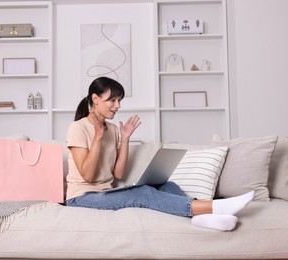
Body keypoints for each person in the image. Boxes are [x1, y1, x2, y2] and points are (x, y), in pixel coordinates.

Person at [65, 76, 254, 231]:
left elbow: (118, 174)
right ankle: (212, 207)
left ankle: (201, 217)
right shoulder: (78, 128)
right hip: (81, 197)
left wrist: (125, 138)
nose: (117, 106)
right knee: (142, 193)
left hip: (106, 192)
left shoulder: (113, 129)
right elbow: (87, 175)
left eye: (119, 100)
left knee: (167, 185)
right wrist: (97, 138)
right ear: (95, 99)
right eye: (112, 100)